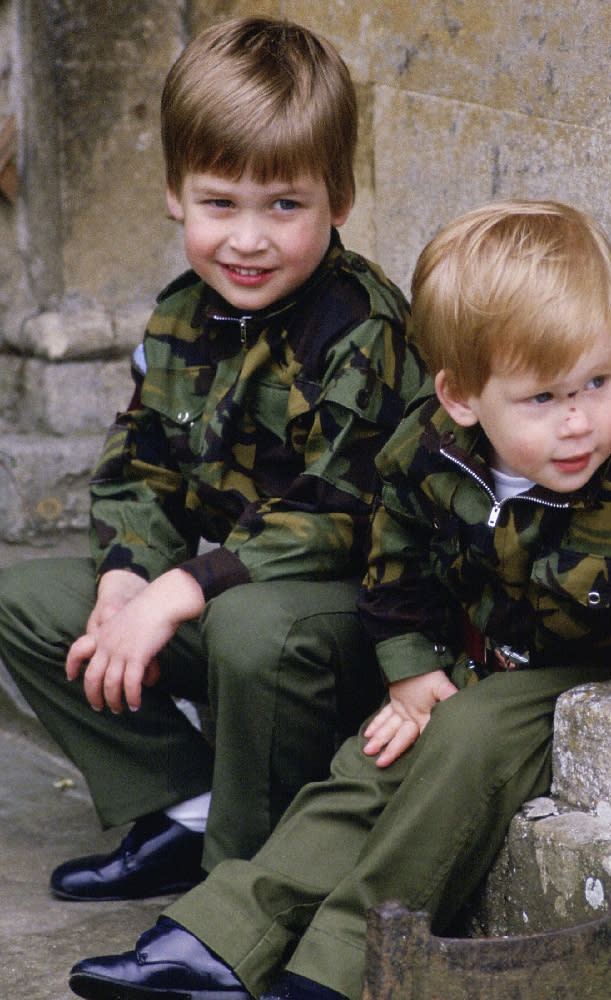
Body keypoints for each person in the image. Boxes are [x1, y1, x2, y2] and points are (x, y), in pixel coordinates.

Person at [67, 200, 611, 1000]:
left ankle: (340, 966)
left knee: (467, 737)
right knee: (375, 756)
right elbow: (396, 563)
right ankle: (221, 937)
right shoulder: (428, 454)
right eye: (542, 399)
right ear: (461, 397)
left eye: (598, 380)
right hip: (482, 659)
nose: (580, 421)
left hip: (595, 672)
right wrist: (410, 672)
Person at [0, 16, 426, 900]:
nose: (248, 239)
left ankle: (245, 885)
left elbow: (339, 513)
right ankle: (186, 809)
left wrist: (180, 590)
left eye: (284, 205)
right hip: (235, 601)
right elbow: (142, 463)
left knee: (249, 625)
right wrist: (127, 577)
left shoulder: (362, 327)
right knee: (34, 603)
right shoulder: (180, 316)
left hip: (348, 628)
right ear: (174, 194)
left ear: (339, 197)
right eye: (219, 203)